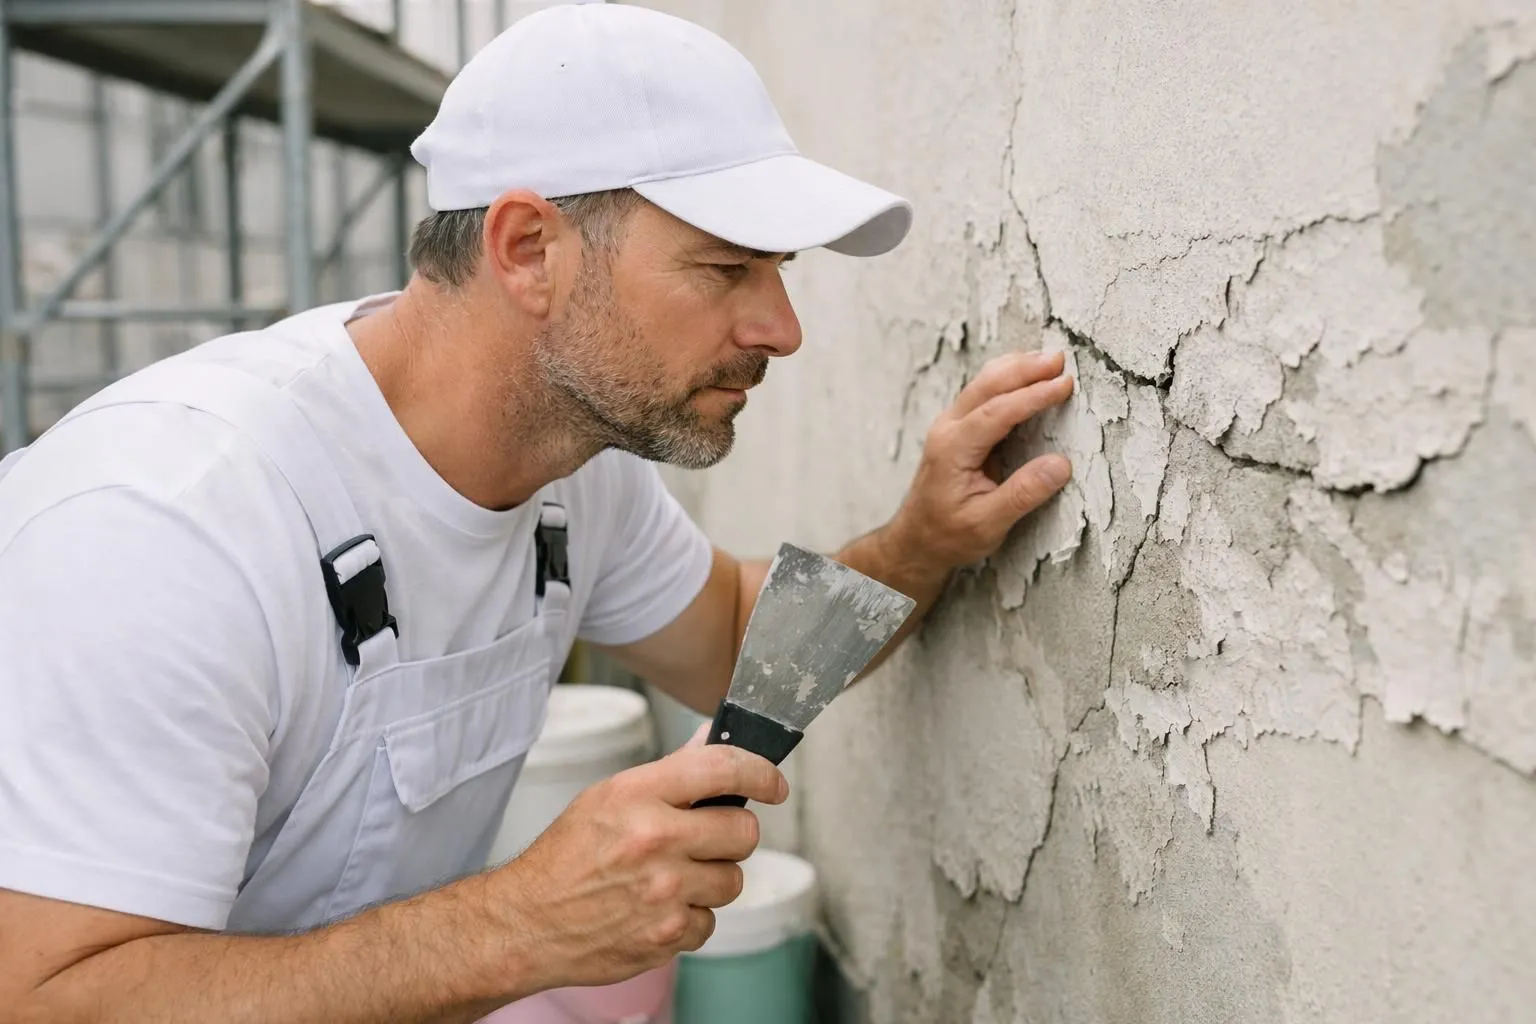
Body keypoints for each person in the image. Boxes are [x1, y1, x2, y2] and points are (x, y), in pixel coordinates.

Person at [0, 4, 1074, 1021]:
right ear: (527, 250)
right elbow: (41, 995)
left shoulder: (579, 467)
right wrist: (520, 924)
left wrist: (921, 542)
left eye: (779, 273)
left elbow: (740, 641)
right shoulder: (168, 525)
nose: (781, 328)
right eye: (727, 268)